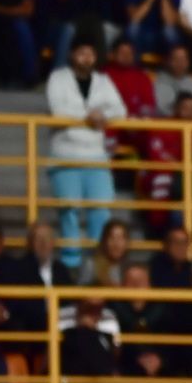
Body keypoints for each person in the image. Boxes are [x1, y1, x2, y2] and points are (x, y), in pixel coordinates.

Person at [45, 36, 128, 268]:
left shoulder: (103, 80)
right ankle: (71, 265)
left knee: (101, 212)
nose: (86, 57)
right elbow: (57, 110)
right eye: (82, 52)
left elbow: (120, 110)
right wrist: (88, 116)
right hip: (65, 154)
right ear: (71, 55)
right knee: (69, 213)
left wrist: (102, 115)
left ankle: (98, 267)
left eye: (90, 53)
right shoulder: (58, 78)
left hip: (96, 155)